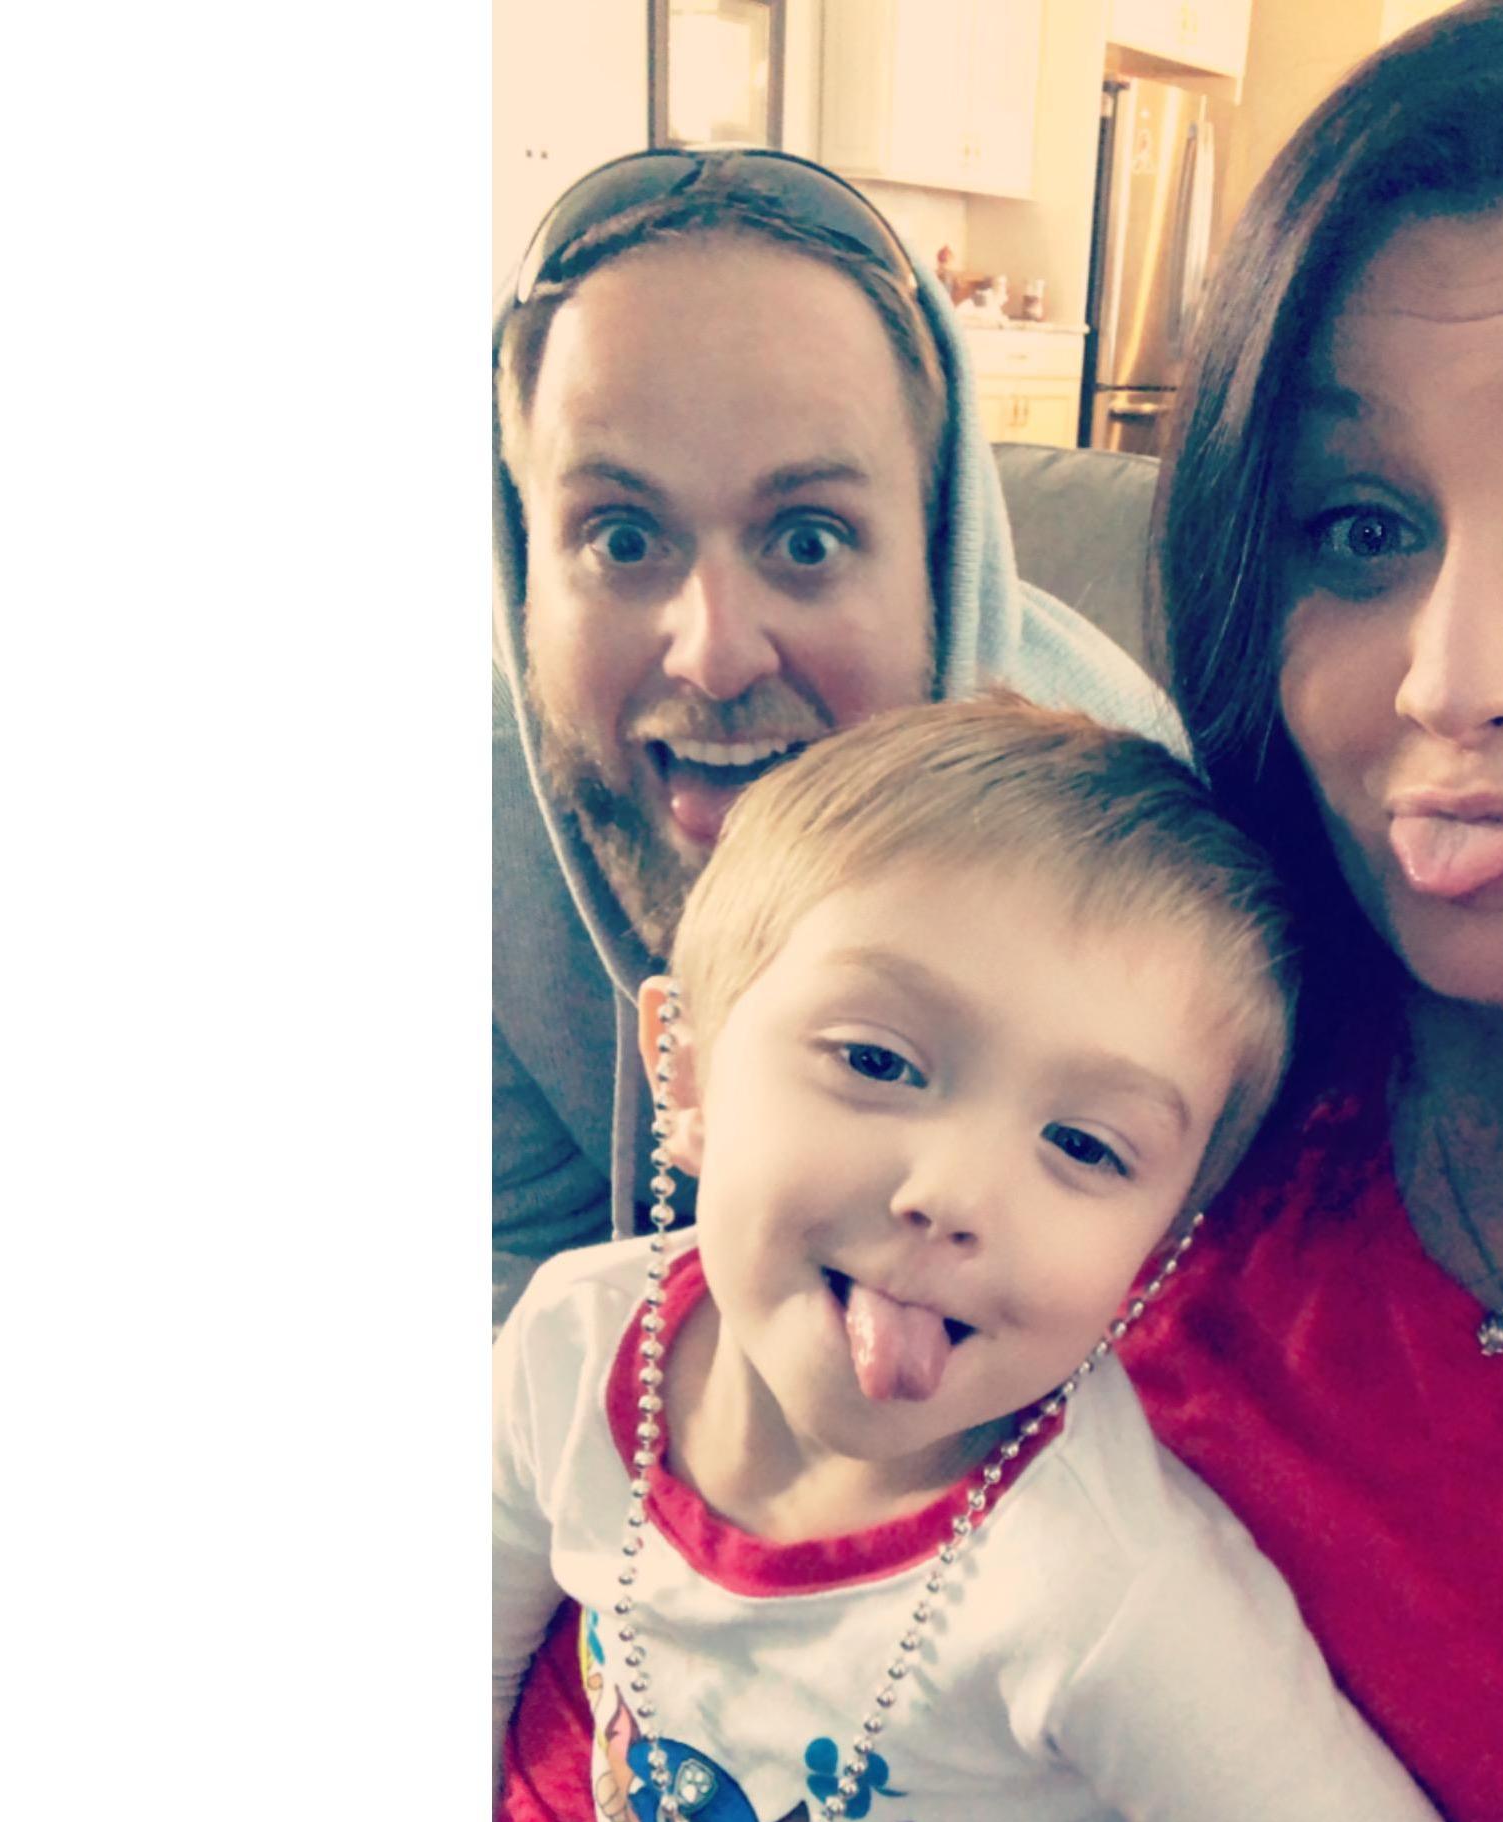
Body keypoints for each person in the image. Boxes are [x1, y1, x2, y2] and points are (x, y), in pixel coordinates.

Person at [494, 3, 1503, 1822]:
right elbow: (648, 1651)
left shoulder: (1116, 1160)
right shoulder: (1166, 1086)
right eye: (1358, 521)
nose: (1451, 677)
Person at [494, 701, 1503, 1822]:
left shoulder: (1105, 1591)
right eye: (879, 1059)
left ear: (1159, 1255)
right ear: (690, 1071)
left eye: (1087, 1148)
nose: (956, 1194)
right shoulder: (571, 1352)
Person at [494, 150, 1180, 1325]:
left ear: (942, 563)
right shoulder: (482, 839)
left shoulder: (1130, 867)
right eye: (620, 538)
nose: (714, 655)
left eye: (808, 540)